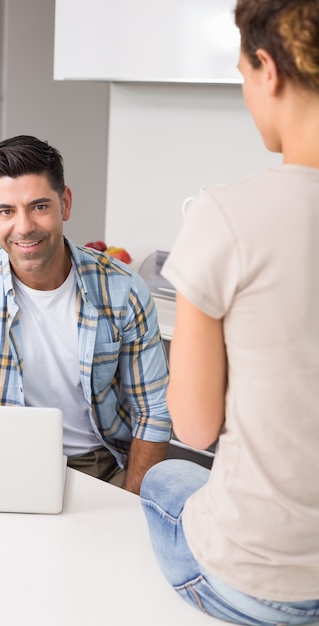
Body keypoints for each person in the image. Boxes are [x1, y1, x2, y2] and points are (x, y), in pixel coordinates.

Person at [140, 0, 319, 624]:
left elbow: (193, 427)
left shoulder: (223, 215)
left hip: (263, 586)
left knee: (167, 484)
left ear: (267, 67)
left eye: (242, 73)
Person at [0, 135, 171, 495]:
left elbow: (153, 411)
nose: (24, 226)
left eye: (39, 207)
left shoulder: (123, 290)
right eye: (7, 211)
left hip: (98, 468)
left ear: (66, 203)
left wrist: (133, 500)